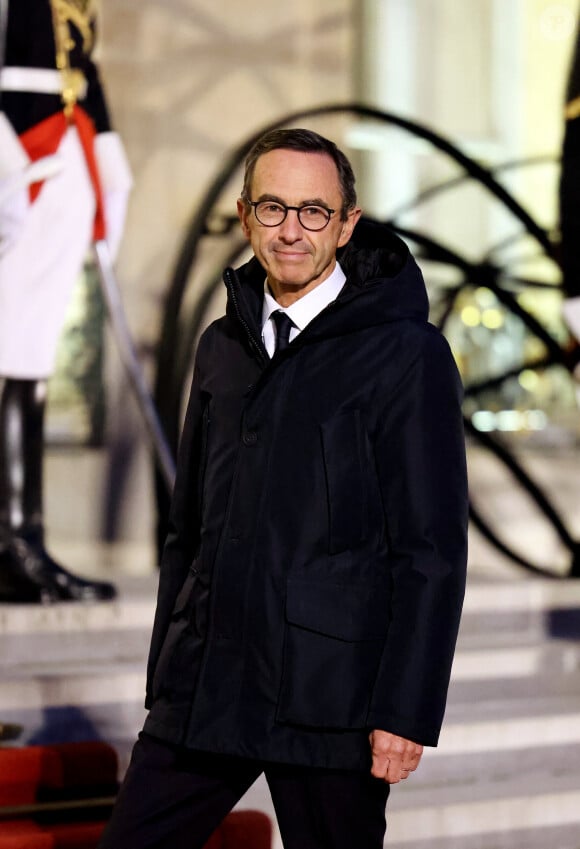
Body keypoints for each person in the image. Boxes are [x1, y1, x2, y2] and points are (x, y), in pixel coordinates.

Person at [98, 128, 468, 849]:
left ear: (347, 223)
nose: (291, 230)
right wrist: (165, 672)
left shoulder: (406, 353)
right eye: (272, 208)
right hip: (207, 684)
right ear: (245, 217)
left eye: (313, 211)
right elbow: (188, 528)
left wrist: (407, 709)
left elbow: (430, 549)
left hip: (332, 698)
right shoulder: (220, 346)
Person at [0, 0, 132, 602]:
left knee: (29, 348)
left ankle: (19, 539)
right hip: (18, 147)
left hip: (60, 148)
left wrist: (105, 147)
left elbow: (81, 59)